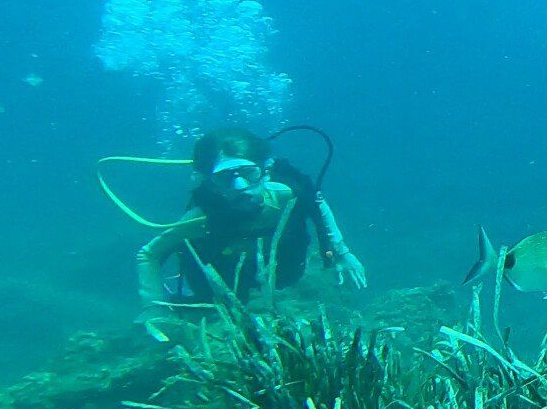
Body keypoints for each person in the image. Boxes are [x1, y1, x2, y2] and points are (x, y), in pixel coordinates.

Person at [122, 128, 367, 337]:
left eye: (248, 173)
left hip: (281, 271)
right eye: (224, 177)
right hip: (222, 285)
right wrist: (153, 308)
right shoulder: (200, 218)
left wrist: (341, 252)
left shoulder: (285, 194)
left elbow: (315, 201)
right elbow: (150, 254)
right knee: (215, 307)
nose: (240, 187)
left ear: (266, 170)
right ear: (209, 182)